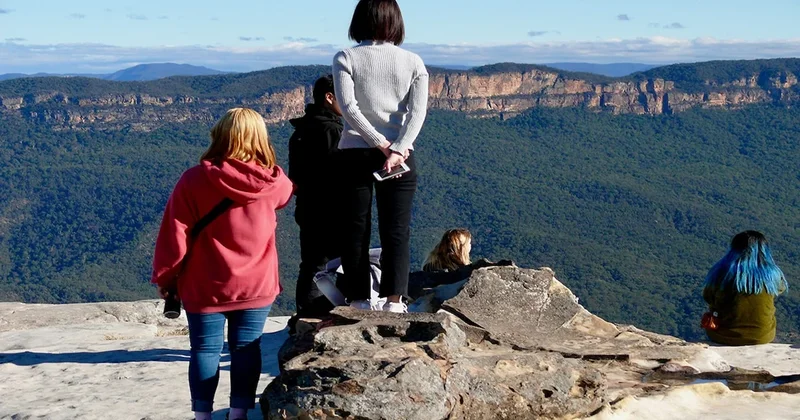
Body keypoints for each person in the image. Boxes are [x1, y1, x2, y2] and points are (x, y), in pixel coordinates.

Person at [151, 108, 293, 420]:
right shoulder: (275, 182)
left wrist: (166, 278)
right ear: (260, 138)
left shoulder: (193, 180)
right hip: (257, 284)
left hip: (205, 285)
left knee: (204, 350)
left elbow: (175, 234)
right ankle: (238, 414)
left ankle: (202, 416)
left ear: (221, 136)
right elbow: (284, 198)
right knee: (247, 349)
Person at [333, 0, 429, 313]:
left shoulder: (346, 57)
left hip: (355, 153)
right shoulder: (413, 62)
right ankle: (394, 301)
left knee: (355, 228)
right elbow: (417, 113)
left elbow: (348, 108)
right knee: (397, 230)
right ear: (396, 21)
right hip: (400, 157)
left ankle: (359, 299)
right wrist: (397, 148)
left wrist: (379, 143)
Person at [288, 75, 344, 317]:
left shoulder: (302, 129)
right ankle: (329, 315)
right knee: (338, 265)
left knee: (311, 265)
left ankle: (305, 317)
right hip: (332, 210)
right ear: (329, 97)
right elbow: (342, 174)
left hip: (307, 207)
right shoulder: (333, 131)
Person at [702, 230, 789, 346]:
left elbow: (708, 297)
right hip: (762, 336)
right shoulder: (773, 274)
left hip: (724, 336)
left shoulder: (721, 272)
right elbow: (780, 289)